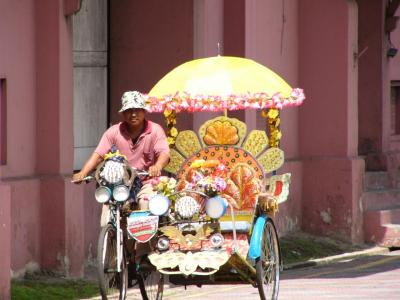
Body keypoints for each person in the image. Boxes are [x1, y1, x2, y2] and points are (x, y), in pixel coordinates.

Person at [72, 91, 170, 222]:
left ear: (144, 111)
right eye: (129, 110)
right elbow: (99, 155)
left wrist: (157, 166)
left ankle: (145, 242)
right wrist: (83, 172)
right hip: (120, 184)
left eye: (137, 110)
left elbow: (164, 153)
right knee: (109, 209)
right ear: (123, 113)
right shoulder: (113, 132)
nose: (133, 114)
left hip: (146, 182)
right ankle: (110, 237)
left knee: (145, 205)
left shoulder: (155, 130)